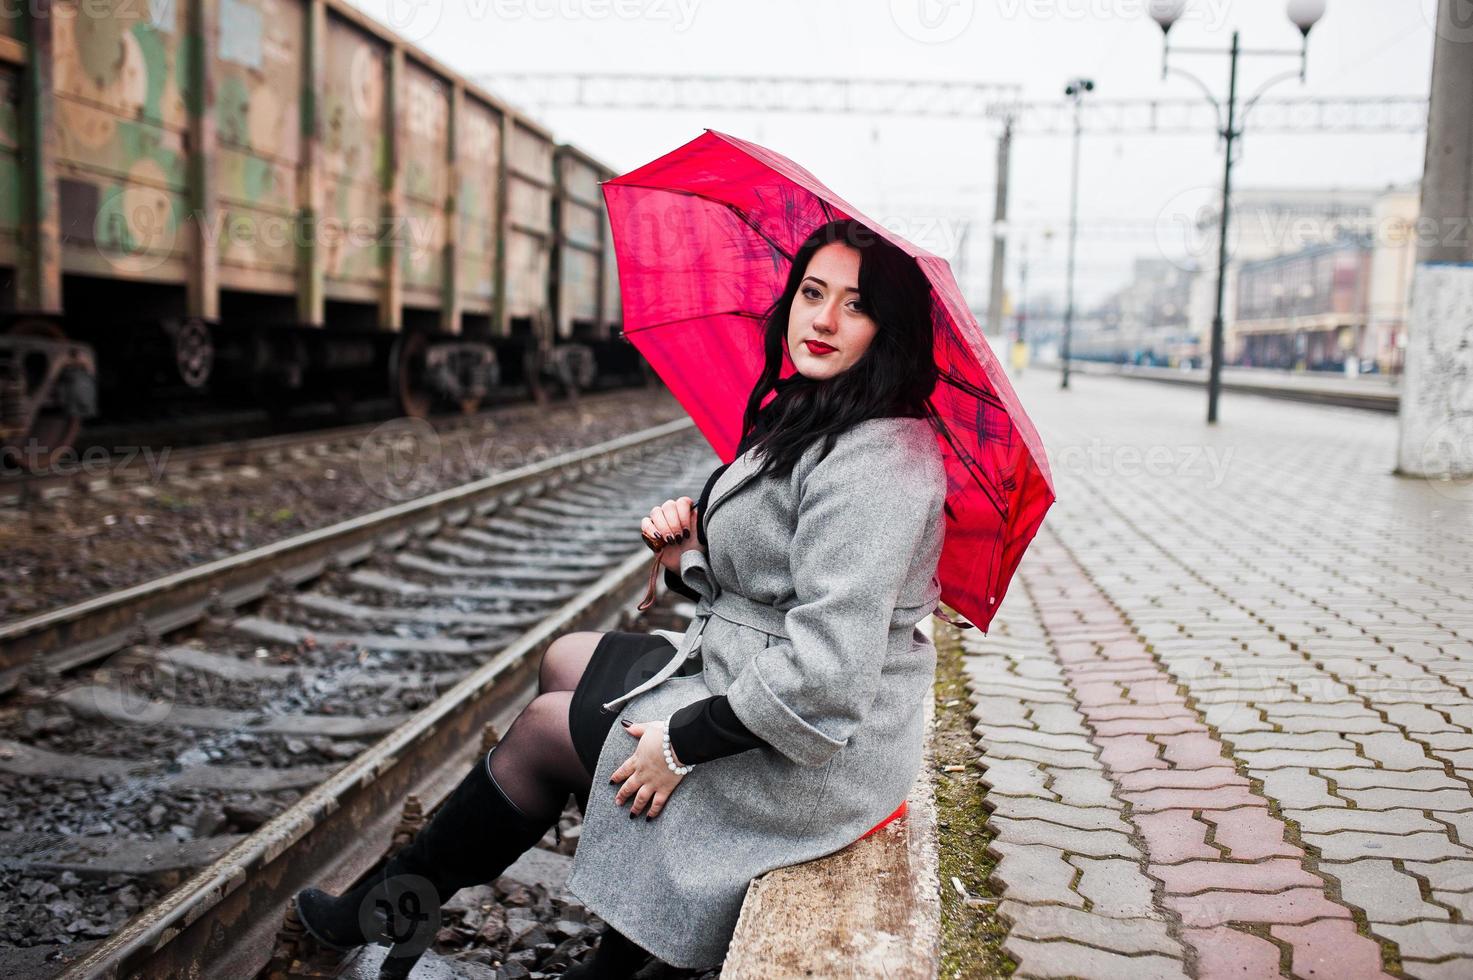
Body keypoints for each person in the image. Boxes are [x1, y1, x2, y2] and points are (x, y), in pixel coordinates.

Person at [292, 218, 949, 978]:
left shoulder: (881, 463)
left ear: (889, 328)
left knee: (543, 732)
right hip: (753, 670)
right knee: (565, 658)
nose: (824, 319)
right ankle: (624, 941)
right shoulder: (818, 413)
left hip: (817, 755)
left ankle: (386, 916)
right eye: (811, 292)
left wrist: (679, 743)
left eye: (855, 305)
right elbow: (772, 584)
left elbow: (829, 674)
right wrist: (689, 552)